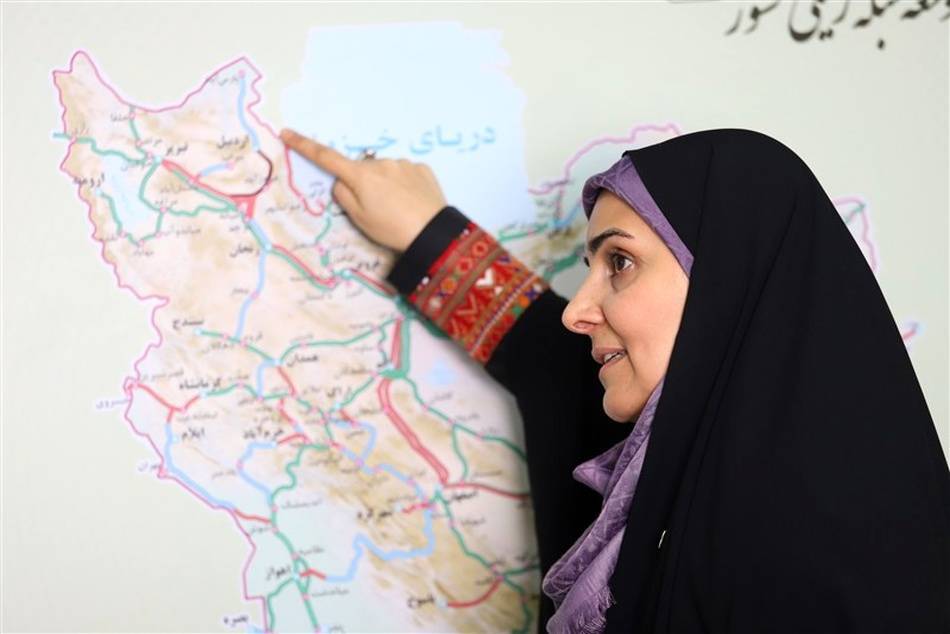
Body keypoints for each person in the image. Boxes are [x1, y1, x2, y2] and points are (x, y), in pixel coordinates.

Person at [279, 127, 950, 633]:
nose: (576, 310)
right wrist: (431, 236)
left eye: (620, 263)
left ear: (728, 285)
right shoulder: (688, 472)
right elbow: (555, 367)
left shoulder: (842, 558)